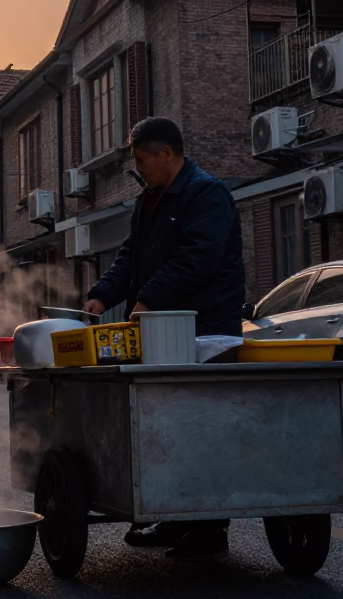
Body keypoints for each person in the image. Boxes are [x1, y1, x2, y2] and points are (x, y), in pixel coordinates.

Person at [82, 117, 245, 560]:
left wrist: (148, 300)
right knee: (166, 426)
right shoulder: (150, 200)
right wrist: (101, 296)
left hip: (207, 333)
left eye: (140, 161)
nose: (138, 170)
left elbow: (200, 258)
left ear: (165, 154)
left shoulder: (206, 194)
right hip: (163, 334)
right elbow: (131, 257)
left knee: (199, 431)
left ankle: (208, 531)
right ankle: (179, 520)